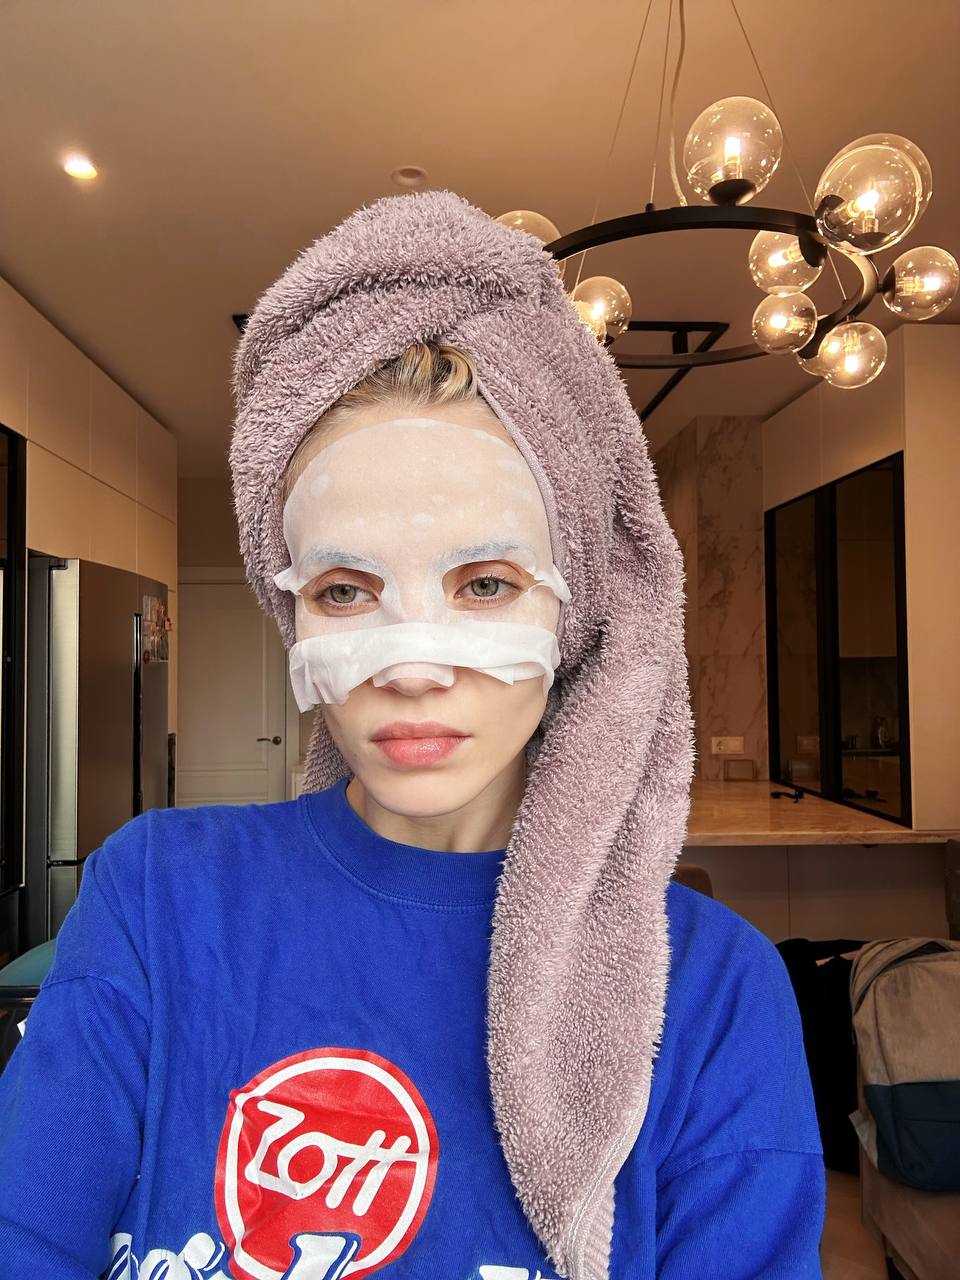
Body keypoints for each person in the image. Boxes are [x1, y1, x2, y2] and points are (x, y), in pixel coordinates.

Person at [0, 191, 825, 1280]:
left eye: (485, 583)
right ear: (295, 614)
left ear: (573, 609)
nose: (413, 665)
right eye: (346, 590)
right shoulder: (157, 898)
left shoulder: (712, 993)